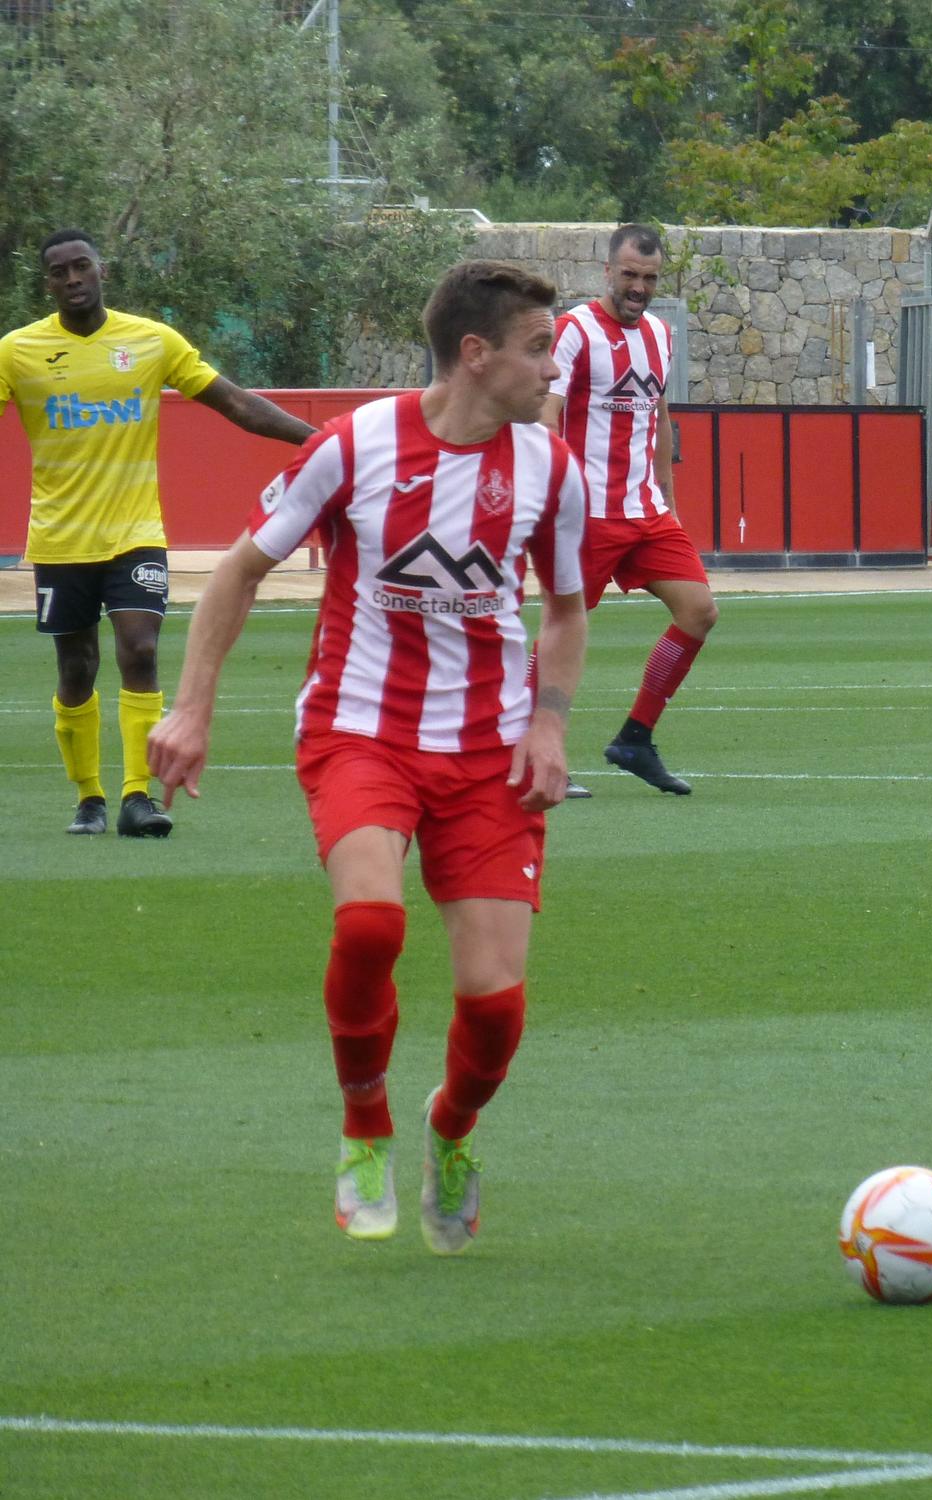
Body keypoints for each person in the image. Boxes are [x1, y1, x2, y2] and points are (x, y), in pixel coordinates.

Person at [148, 261, 589, 1254]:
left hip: (488, 756)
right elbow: (238, 572)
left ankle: (450, 1132)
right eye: (536, 348)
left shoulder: (552, 471)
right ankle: (363, 1124)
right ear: (475, 355)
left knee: (495, 1005)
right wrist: (192, 710)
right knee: (368, 924)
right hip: (363, 731)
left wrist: (550, 723)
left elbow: (565, 609)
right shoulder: (356, 447)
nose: (552, 369)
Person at [0, 228, 316, 838]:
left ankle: (136, 797)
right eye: (59, 272)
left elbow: (235, 403)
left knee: (140, 650)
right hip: (61, 539)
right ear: (47, 282)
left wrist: (318, 438)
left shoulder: (150, 340)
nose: (72, 279)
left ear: (102, 270)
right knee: (76, 669)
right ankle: (88, 798)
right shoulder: (18, 351)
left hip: (136, 531)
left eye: (81, 267)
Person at [542, 222, 714, 798]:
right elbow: (546, 417)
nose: (639, 287)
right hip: (585, 513)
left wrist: (668, 493)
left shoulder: (661, 335)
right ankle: (530, 751)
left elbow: (659, 416)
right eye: (630, 275)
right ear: (607, 271)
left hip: (646, 510)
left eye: (650, 278)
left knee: (699, 611)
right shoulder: (573, 331)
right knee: (561, 632)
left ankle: (635, 738)